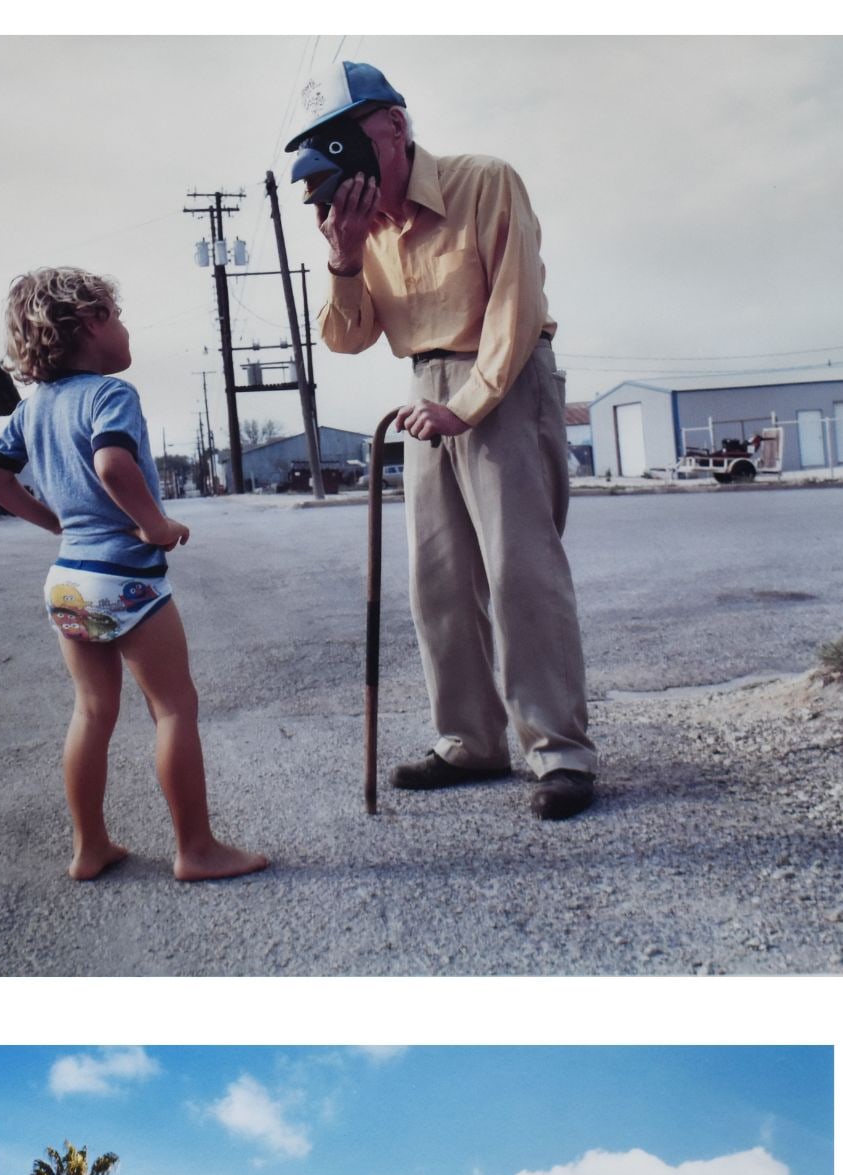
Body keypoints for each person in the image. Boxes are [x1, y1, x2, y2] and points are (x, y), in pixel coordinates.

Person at [288, 60, 598, 821]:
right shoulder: (366, 230)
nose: (333, 163)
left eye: (342, 137)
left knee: (520, 570)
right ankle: (471, 741)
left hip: (504, 377)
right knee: (439, 579)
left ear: (392, 125)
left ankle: (558, 753)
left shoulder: (483, 181)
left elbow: (516, 306)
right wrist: (344, 259)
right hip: (422, 390)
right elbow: (349, 337)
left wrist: (472, 401)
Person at [0, 267, 268, 883]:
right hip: (125, 577)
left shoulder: (33, 410)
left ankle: (89, 848)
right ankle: (195, 849)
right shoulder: (111, 396)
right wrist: (155, 524)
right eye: (120, 314)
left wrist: (56, 523)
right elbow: (112, 466)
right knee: (173, 709)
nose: (128, 328)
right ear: (92, 323)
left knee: (91, 712)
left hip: (68, 579)